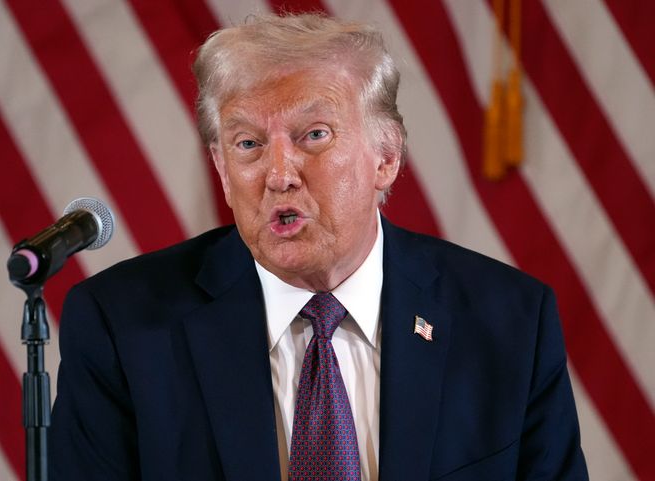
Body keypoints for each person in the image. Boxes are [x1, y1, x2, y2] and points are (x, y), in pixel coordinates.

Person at [48, 13, 588, 481]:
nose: (279, 174)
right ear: (221, 168)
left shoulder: (510, 322)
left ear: (386, 158)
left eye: (314, 135)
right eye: (248, 145)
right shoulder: (122, 327)